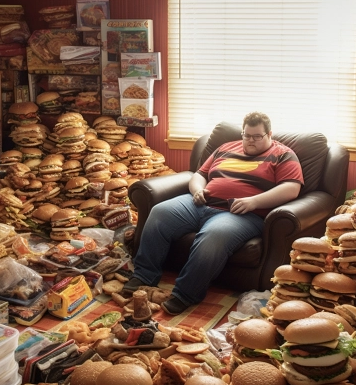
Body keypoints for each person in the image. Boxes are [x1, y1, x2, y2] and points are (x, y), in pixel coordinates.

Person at [124, 112, 304, 315]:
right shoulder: (225, 148)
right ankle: (144, 275)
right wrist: (197, 190)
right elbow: (199, 174)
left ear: (269, 134)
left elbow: (291, 188)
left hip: (240, 214)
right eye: (247, 135)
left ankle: (185, 294)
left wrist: (254, 202)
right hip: (200, 204)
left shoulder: (283, 154)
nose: (251, 140)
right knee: (160, 213)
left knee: (213, 235)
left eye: (257, 136)